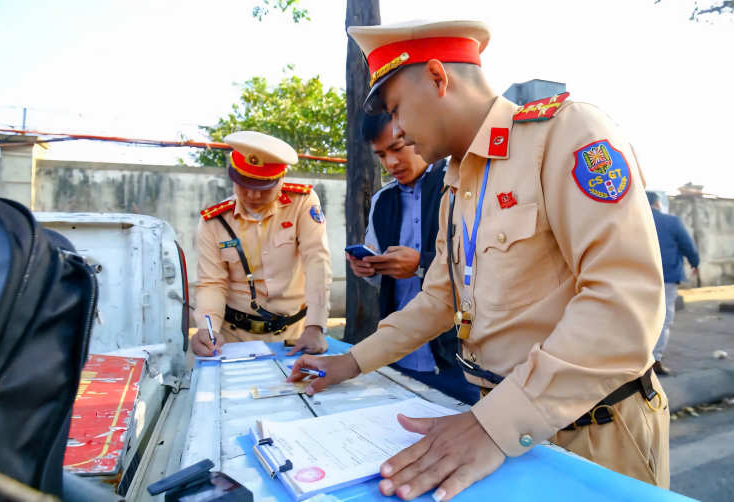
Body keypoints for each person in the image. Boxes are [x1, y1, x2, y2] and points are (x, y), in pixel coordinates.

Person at [289, 19, 670, 499]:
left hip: (591, 429)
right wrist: (353, 362)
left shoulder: (565, 134)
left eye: (397, 109)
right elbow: (438, 300)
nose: (399, 130)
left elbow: (623, 307)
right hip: (496, 425)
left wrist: (494, 425)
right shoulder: (456, 184)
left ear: (437, 77)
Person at [346, 112, 480, 405]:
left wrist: (421, 264)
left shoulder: (460, 186)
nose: (390, 163)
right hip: (398, 354)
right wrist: (369, 269)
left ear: (416, 134)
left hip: (457, 358)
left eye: (397, 148)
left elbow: (482, 265)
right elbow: (381, 278)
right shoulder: (383, 201)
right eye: (381, 154)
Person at [191, 131, 332, 357]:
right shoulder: (214, 221)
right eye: (244, 184)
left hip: (295, 336)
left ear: (281, 179)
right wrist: (208, 329)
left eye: (263, 187)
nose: (252, 195)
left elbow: (317, 262)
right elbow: (211, 282)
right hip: (233, 338)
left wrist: (316, 326)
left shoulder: (302, 203)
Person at [647, 191, 700, 375]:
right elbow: (688, 245)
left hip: (640, 278)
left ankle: (637, 358)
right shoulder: (672, 222)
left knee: (642, 316)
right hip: (668, 277)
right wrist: (695, 263)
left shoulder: (631, 222)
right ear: (657, 203)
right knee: (663, 318)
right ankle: (655, 359)